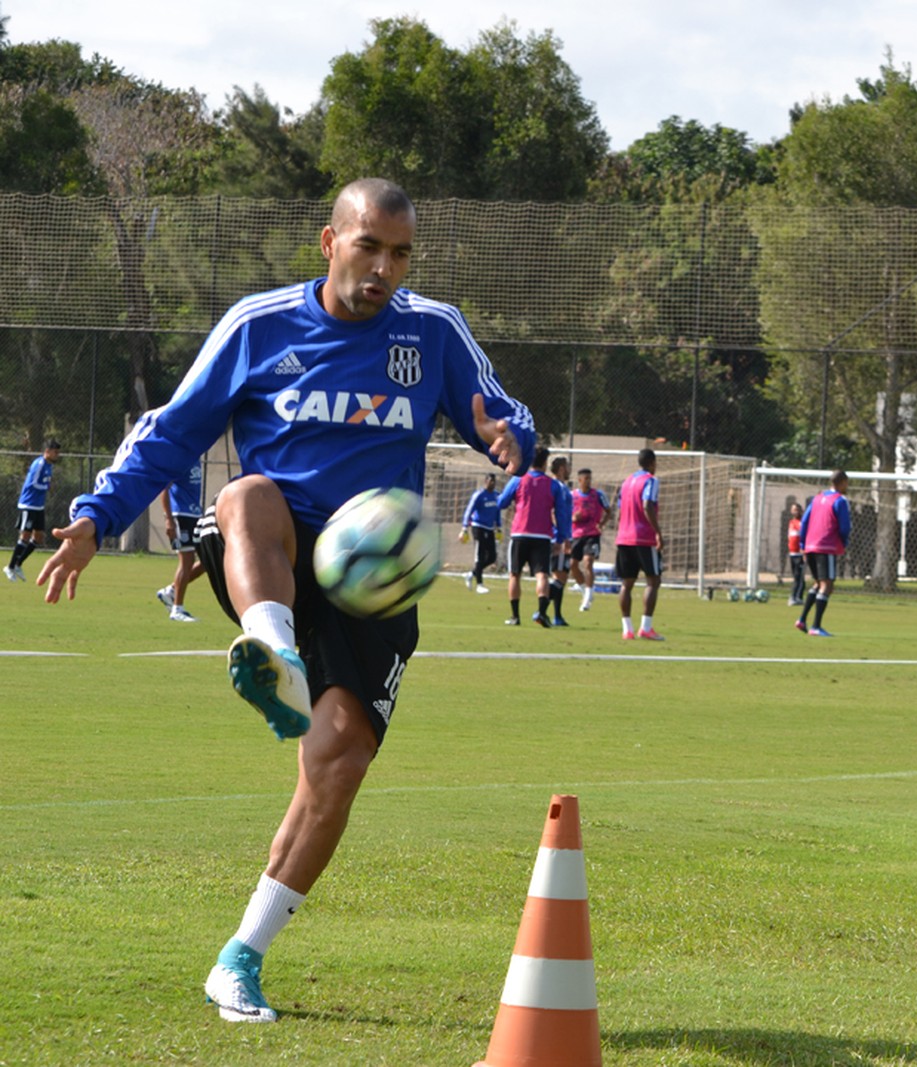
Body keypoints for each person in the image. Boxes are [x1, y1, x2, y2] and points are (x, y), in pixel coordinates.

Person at [37, 178, 535, 1025]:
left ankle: (241, 957)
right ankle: (274, 651)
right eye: (369, 245)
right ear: (329, 241)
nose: (384, 267)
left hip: (373, 580)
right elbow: (173, 430)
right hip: (275, 550)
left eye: (401, 252)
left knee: (335, 770)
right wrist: (95, 515)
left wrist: (509, 439)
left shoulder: (432, 331)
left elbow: (502, 410)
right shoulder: (259, 324)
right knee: (247, 493)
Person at [498, 448, 562, 628]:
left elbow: (502, 502)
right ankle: (541, 612)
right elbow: (561, 513)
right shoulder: (553, 484)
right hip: (542, 536)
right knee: (542, 574)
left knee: (515, 575)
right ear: (545, 463)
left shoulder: (518, 479)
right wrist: (562, 537)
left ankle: (515, 616)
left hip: (520, 533)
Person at [615, 447, 665, 640]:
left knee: (627, 584)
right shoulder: (651, 481)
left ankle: (627, 629)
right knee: (653, 580)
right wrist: (658, 532)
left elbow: (620, 510)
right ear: (652, 463)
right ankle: (646, 627)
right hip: (643, 537)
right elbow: (647, 504)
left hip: (624, 537)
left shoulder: (627, 482)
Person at [795, 470, 851, 638]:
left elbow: (804, 521)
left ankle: (802, 619)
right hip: (826, 546)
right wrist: (844, 542)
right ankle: (816, 627)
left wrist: (803, 544)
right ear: (842, 482)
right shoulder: (840, 500)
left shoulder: (817, 498)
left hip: (811, 546)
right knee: (827, 585)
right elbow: (845, 527)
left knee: (819, 583)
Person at [155, 461, 208, 622]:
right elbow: (164, 488)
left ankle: (171, 591)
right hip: (180, 515)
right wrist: (169, 519)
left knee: (207, 560)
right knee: (187, 560)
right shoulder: (180, 459)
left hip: (194, 515)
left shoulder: (196, 458)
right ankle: (177, 609)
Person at [7, 437, 60, 581]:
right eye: (55, 452)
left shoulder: (49, 465)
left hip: (38, 506)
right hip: (28, 504)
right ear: (47, 451)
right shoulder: (39, 464)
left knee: (39, 537)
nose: (57, 455)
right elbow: (33, 484)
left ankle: (18, 564)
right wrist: (47, 488)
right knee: (25, 536)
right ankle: (10, 567)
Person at [569, 467, 610, 611]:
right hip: (576, 535)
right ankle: (584, 590)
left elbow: (609, 511)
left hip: (592, 534)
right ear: (579, 480)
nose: (588, 481)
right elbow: (561, 513)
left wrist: (602, 524)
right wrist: (573, 518)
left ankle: (587, 598)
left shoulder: (598, 495)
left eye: (590, 478)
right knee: (573, 564)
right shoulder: (572, 495)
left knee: (588, 563)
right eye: (586, 479)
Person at [460, 472, 502, 594]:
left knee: (492, 556)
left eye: (494, 481)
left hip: (490, 528)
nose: (492, 484)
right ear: (485, 482)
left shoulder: (496, 495)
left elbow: (497, 511)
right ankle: (479, 584)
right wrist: (464, 528)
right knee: (480, 555)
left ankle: (471, 574)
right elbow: (469, 510)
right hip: (478, 527)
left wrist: (499, 527)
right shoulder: (479, 495)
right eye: (490, 481)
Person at [547, 455, 574, 626]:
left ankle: (557, 616)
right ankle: (542, 609)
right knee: (560, 578)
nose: (570, 468)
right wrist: (562, 538)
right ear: (562, 468)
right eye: (568, 465)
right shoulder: (558, 487)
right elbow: (553, 512)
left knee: (561, 577)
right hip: (558, 538)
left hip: (558, 536)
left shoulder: (558, 486)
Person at [785, 501, 805, 606]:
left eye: (796, 509)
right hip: (792, 553)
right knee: (797, 576)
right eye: (793, 510)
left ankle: (793, 597)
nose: (794, 512)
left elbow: (805, 537)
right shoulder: (791, 522)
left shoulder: (803, 522)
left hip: (800, 553)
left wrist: (804, 550)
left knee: (798, 576)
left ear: (801, 511)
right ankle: (799, 597)